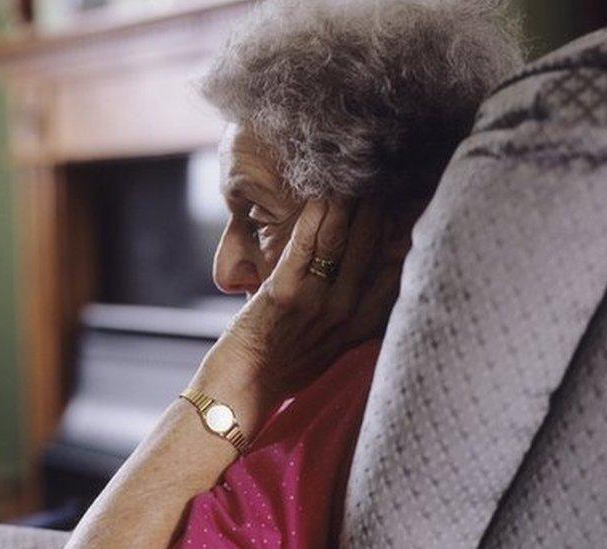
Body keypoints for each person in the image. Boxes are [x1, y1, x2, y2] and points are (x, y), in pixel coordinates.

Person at [65, 0, 523, 547]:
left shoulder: (348, 412)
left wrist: (245, 361)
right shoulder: (346, 376)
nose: (224, 269)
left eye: (256, 217)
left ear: (390, 224)